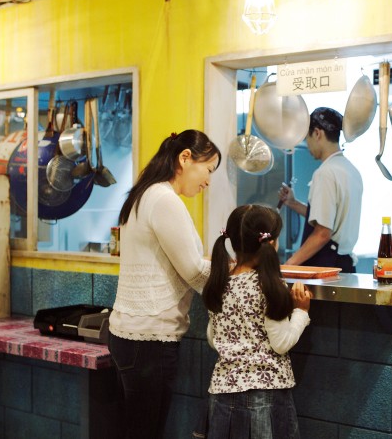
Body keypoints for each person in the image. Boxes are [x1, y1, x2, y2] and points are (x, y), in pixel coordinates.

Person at [107, 129, 221, 439]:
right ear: (185, 158)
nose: (208, 181)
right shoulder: (164, 199)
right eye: (208, 169)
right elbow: (194, 270)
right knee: (146, 431)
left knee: (135, 428)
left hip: (129, 334)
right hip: (149, 340)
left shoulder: (145, 193)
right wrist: (238, 275)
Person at [202, 204, 312, 438]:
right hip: (266, 395)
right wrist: (301, 312)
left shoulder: (219, 283)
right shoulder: (270, 286)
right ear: (271, 243)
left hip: (222, 393)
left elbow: (213, 339)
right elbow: (281, 343)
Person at [277, 107, 363, 273]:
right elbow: (331, 218)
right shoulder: (351, 170)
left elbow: (323, 233)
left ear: (317, 133)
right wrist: (293, 203)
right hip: (345, 265)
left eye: (307, 137)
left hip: (326, 266)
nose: (306, 144)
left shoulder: (325, 173)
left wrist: (288, 266)